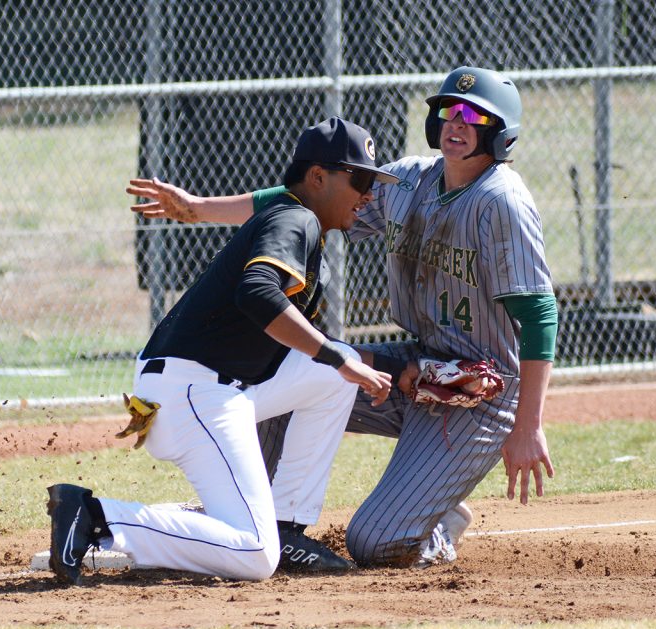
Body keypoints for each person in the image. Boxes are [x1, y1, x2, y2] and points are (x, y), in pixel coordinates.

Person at [126, 66, 558, 568]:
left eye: (473, 115)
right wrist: (198, 209)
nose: (455, 123)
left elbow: (539, 313)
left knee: (374, 545)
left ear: (500, 133)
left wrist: (528, 424)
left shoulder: (501, 201)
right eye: (447, 111)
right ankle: (268, 523)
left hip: (480, 391)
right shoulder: (412, 180)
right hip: (418, 361)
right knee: (293, 376)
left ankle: (434, 522)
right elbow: (304, 197)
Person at [47, 117, 396, 584]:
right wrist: (336, 358)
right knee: (254, 555)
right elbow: (256, 293)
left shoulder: (291, 211)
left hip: (194, 388)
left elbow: (307, 345)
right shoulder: (298, 218)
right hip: (195, 393)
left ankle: (286, 525)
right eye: (361, 179)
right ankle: (97, 516)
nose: (369, 193)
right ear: (318, 178)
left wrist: (368, 364)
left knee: (334, 374)